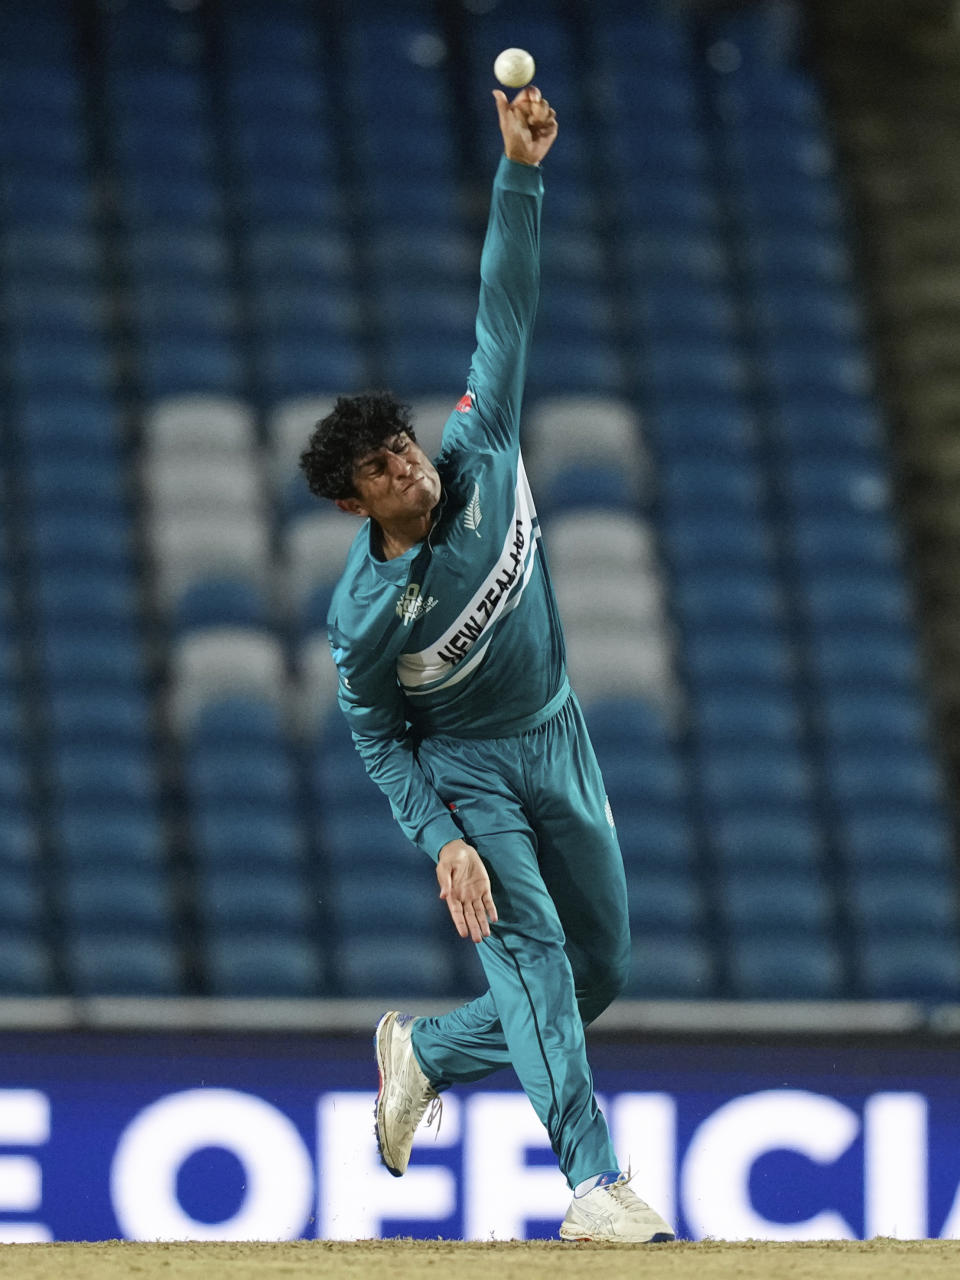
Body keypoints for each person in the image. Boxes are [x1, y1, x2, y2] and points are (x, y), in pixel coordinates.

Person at [299, 85, 674, 1245]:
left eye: (403, 445)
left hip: (556, 731)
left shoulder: (483, 449)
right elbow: (374, 731)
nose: (408, 467)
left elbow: (502, 304)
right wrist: (444, 837)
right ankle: (593, 1184)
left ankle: (426, 1051)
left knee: (598, 966)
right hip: (467, 765)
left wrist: (521, 172)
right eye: (381, 467)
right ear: (352, 500)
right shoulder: (364, 611)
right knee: (538, 952)